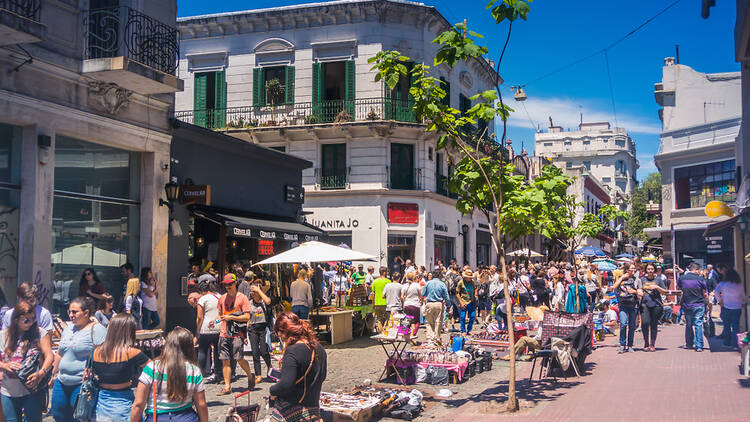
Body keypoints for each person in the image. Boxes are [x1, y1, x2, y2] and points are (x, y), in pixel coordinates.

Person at [130, 327, 209, 422]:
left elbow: (138, 404)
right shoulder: (194, 371)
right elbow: (201, 404)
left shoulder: (152, 368)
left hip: (158, 418)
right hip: (186, 417)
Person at [50, 297, 107, 422]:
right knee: (58, 414)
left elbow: (104, 355)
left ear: (86, 313)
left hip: (81, 384)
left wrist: (94, 370)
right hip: (62, 381)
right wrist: (52, 373)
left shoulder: (97, 329)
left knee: (79, 416)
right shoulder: (68, 329)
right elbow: (60, 353)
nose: (71, 315)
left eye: (74, 312)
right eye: (69, 311)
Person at [0, 302, 54, 422]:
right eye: (26, 320)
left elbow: (49, 355)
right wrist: (5, 365)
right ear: (16, 319)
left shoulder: (39, 333)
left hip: (32, 390)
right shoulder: (3, 336)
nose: (30, 323)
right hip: (8, 390)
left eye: (33, 319)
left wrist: (41, 373)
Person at [269, 312, 327, 422]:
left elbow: (285, 384)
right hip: (313, 408)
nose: (280, 337)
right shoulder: (319, 348)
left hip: (293, 408)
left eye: (278, 333)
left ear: (284, 332)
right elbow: (322, 376)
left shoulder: (292, 352)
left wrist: (272, 390)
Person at [92, 314, 148, 422]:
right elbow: (154, 371)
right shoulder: (132, 352)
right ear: (129, 331)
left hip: (100, 404)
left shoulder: (95, 352)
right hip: (123, 403)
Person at [217, 273, 255, 395]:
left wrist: (231, 317)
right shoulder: (222, 298)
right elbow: (220, 315)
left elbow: (247, 316)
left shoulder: (242, 298)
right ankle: (227, 387)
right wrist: (215, 321)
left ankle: (250, 375)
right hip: (224, 333)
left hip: (237, 334)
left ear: (235, 284)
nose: (227, 286)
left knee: (239, 358)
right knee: (225, 360)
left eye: (229, 284)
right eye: (225, 284)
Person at [246, 277, 273, 385]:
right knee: (255, 352)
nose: (252, 293)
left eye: (254, 292)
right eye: (251, 292)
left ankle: (269, 368)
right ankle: (258, 375)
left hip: (263, 329)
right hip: (252, 329)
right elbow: (247, 317)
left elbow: (268, 301)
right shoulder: (249, 302)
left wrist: (259, 291)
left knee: (264, 351)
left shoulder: (263, 302)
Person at [677, 262, 709, 352]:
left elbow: (679, 288)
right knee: (698, 325)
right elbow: (705, 294)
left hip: (687, 305)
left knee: (689, 325)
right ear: (696, 270)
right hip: (699, 304)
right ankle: (699, 346)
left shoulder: (682, 278)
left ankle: (689, 344)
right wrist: (708, 305)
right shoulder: (701, 279)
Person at [194, 281, 221, 384]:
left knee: (202, 351)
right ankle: (218, 373)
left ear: (202, 291)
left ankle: (200, 374)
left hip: (205, 328)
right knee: (218, 352)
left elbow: (199, 317)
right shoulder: (219, 296)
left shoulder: (203, 299)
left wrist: (197, 331)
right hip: (218, 327)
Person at [714, 267, 746, 350]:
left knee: (726, 326)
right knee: (736, 326)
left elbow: (716, 291)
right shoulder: (739, 285)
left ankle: (727, 342)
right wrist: (743, 302)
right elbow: (743, 296)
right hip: (737, 307)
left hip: (726, 306)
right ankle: (735, 345)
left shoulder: (723, 284)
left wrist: (720, 300)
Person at [640, 264, 669, 352]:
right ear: (646, 270)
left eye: (652, 269)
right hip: (645, 304)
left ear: (654, 270)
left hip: (656, 304)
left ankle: (652, 344)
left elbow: (665, 292)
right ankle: (646, 342)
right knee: (644, 323)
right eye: (648, 269)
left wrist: (657, 287)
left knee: (653, 325)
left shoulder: (658, 280)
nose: (650, 271)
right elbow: (638, 289)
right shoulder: (642, 279)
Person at [613, 264, 640, 353]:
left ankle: (630, 345)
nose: (634, 269)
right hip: (623, 305)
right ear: (627, 270)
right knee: (623, 324)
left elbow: (640, 292)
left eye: (634, 268)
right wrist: (621, 278)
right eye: (632, 268)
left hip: (633, 305)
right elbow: (614, 287)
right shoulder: (621, 279)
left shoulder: (637, 279)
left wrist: (634, 291)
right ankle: (622, 344)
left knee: (632, 326)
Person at [421, 269, 450, 344]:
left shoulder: (428, 283)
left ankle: (430, 338)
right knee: (438, 321)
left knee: (429, 322)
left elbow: (423, 293)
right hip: (439, 304)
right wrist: (448, 304)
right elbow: (446, 296)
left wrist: (421, 302)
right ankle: (436, 337)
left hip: (429, 303)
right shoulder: (442, 284)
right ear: (439, 275)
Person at [400, 273, 422, 342]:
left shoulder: (404, 286)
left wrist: (403, 303)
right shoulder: (417, 285)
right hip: (415, 305)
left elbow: (401, 296)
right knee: (417, 322)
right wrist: (421, 301)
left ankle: (406, 336)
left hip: (407, 305)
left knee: (407, 321)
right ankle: (413, 335)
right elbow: (420, 295)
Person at [456, 269, 477, 334]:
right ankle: (463, 330)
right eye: (468, 278)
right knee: (462, 317)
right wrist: (461, 302)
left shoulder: (472, 282)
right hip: (463, 301)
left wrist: (475, 295)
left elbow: (475, 288)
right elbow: (457, 293)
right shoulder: (460, 282)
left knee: (473, 316)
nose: (469, 279)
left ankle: (469, 329)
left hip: (471, 301)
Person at [370, 267, 391, 332]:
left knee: (379, 319)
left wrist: (373, 303)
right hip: (385, 303)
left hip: (377, 303)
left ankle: (381, 333)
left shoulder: (375, 281)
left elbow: (373, 294)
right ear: (384, 272)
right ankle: (384, 332)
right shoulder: (388, 281)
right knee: (386, 319)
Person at [444, 265, 462, 331]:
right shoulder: (459, 277)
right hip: (456, 295)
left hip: (448, 294)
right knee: (460, 309)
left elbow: (445, 286)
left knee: (448, 310)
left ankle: (446, 326)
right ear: (458, 270)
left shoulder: (447, 276)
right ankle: (462, 327)